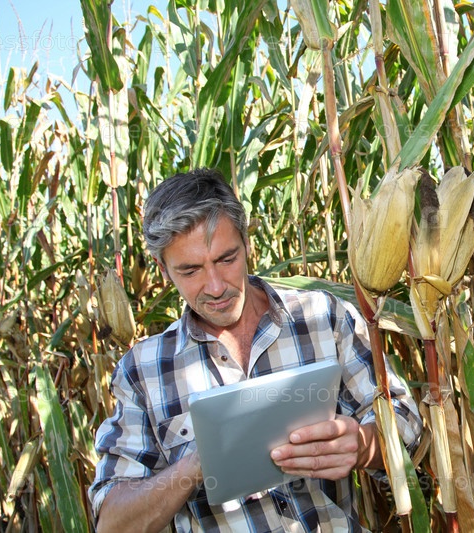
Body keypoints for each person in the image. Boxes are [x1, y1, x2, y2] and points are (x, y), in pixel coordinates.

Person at [89, 168, 422, 532]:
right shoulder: (143, 371)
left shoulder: (322, 317)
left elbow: (406, 420)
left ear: (247, 243)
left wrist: (362, 444)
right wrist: (197, 465)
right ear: (163, 270)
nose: (215, 286)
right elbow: (112, 523)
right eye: (190, 271)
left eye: (226, 259)